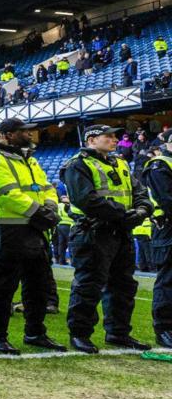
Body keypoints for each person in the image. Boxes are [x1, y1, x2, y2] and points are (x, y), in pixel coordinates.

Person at [61, 124, 153, 353]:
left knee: (123, 285)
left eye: (115, 136)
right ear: (91, 140)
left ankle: (118, 333)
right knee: (89, 285)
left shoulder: (121, 163)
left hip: (120, 233)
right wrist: (125, 216)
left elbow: (140, 192)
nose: (115, 139)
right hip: (93, 232)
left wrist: (142, 211)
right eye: (108, 136)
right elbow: (87, 200)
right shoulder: (77, 164)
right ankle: (80, 334)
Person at [0, 118, 65, 354]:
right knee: (4, 285)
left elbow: (48, 188)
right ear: (7, 136)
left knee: (38, 284)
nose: (30, 134)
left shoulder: (31, 161)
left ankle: (35, 332)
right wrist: (40, 213)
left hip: (34, 227)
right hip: (9, 227)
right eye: (23, 132)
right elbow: (5, 194)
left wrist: (50, 208)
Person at [142, 128, 172, 349]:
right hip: (168, 229)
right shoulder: (159, 165)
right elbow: (167, 199)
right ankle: (164, 328)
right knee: (168, 279)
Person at [53, 195, 74, 265]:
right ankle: (72, 261)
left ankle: (61, 261)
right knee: (70, 243)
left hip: (59, 226)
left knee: (61, 244)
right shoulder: (70, 205)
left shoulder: (58, 205)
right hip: (69, 226)